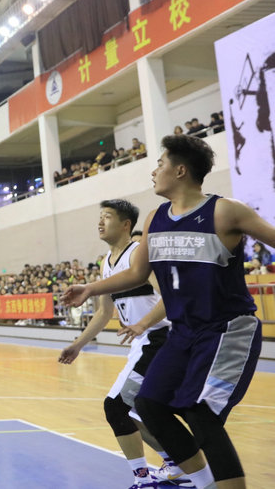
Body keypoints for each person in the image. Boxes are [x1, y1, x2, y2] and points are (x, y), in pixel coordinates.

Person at [62, 134, 275, 489]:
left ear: (180, 171)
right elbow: (136, 273)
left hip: (226, 329)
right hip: (183, 332)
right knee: (149, 405)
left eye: (160, 164)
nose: (154, 171)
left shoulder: (225, 211)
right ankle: (204, 483)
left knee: (200, 413)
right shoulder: (156, 218)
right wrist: (90, 289)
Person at [58, 199, 190, 488]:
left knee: (117, 406)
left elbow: (170, 297)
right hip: (142, 343)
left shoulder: (138, 255)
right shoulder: (106, 262)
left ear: (126, 224)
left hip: (160, 339)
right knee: (137, 409)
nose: (100, 222)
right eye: (100, 217)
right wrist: (78, 344)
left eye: (107, 216)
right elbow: (104, 313)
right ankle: (178, 463)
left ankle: (146, 477)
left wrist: (143, 323)